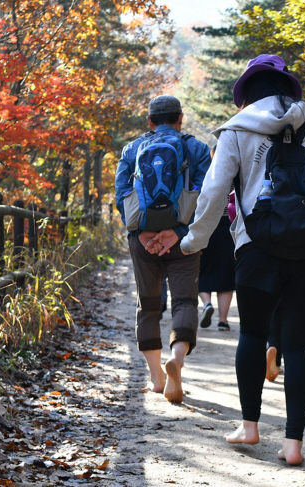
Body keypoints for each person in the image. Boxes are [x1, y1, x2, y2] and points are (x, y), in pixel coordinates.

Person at [175, 54, 305, 466]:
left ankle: (249, 427)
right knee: (298, 347)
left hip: (257, 250)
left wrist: (194, 241)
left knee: (252, 335)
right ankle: (293, 445)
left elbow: (214, 193)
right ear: (288, 89)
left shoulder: (236, 130)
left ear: (246, 94)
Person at [114, 95, 211, 403]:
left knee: (149, 305)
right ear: (180, 118)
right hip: (184, 239)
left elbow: (121, 194)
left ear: (150, 122)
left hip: (142, 240)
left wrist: (141, 233)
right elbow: (207, 195)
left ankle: (157, 378)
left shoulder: (132, 149)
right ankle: (177, 360)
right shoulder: (196, 149)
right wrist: (179, 231)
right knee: (184, 301)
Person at [198, 146, 237, 331]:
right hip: (229, 226)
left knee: (202, 270)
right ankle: (223, 320)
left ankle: (206, 304)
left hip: (207, 226)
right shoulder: (236, 173)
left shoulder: (207, 173)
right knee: (225, 275)